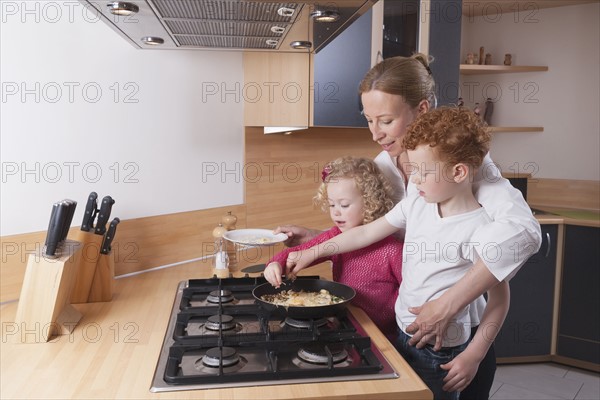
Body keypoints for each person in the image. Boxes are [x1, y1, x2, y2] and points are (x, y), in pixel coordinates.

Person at [275, 54, 542, 400]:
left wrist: (450, 307)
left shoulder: (473, 173)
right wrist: (314, 241)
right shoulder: (384, 170)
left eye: (385, 119)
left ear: (422, 110)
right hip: (401, 331)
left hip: (458, 335)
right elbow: (370, 233)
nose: (375, 133)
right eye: (369, 120)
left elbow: (525, 234)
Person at [264, 156, 403, 341]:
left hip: (384, 336)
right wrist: (275, 264)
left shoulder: (392, 249)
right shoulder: (334, 236)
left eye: (344, 205)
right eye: (331, 204)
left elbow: (409, 293)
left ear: (371, 203)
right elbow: (298, 253)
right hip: (346, 326)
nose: (336, 211)